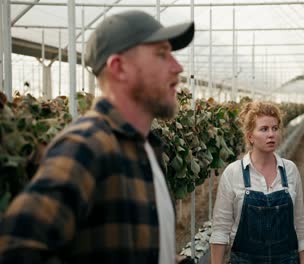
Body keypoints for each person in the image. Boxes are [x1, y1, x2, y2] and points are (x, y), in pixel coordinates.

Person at [0, 10, 194, 264]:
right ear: (119, 67)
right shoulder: (86, 145)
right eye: (161, 54)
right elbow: (17, 250)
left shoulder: (145, 147)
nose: (177, 67)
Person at [210, 101, 304, 264]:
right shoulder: (233, 173)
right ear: (250, 136)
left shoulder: (290, 170)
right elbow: (220, 230)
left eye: (275, 128)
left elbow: (300, 226)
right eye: (264, 129)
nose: (271, 134)